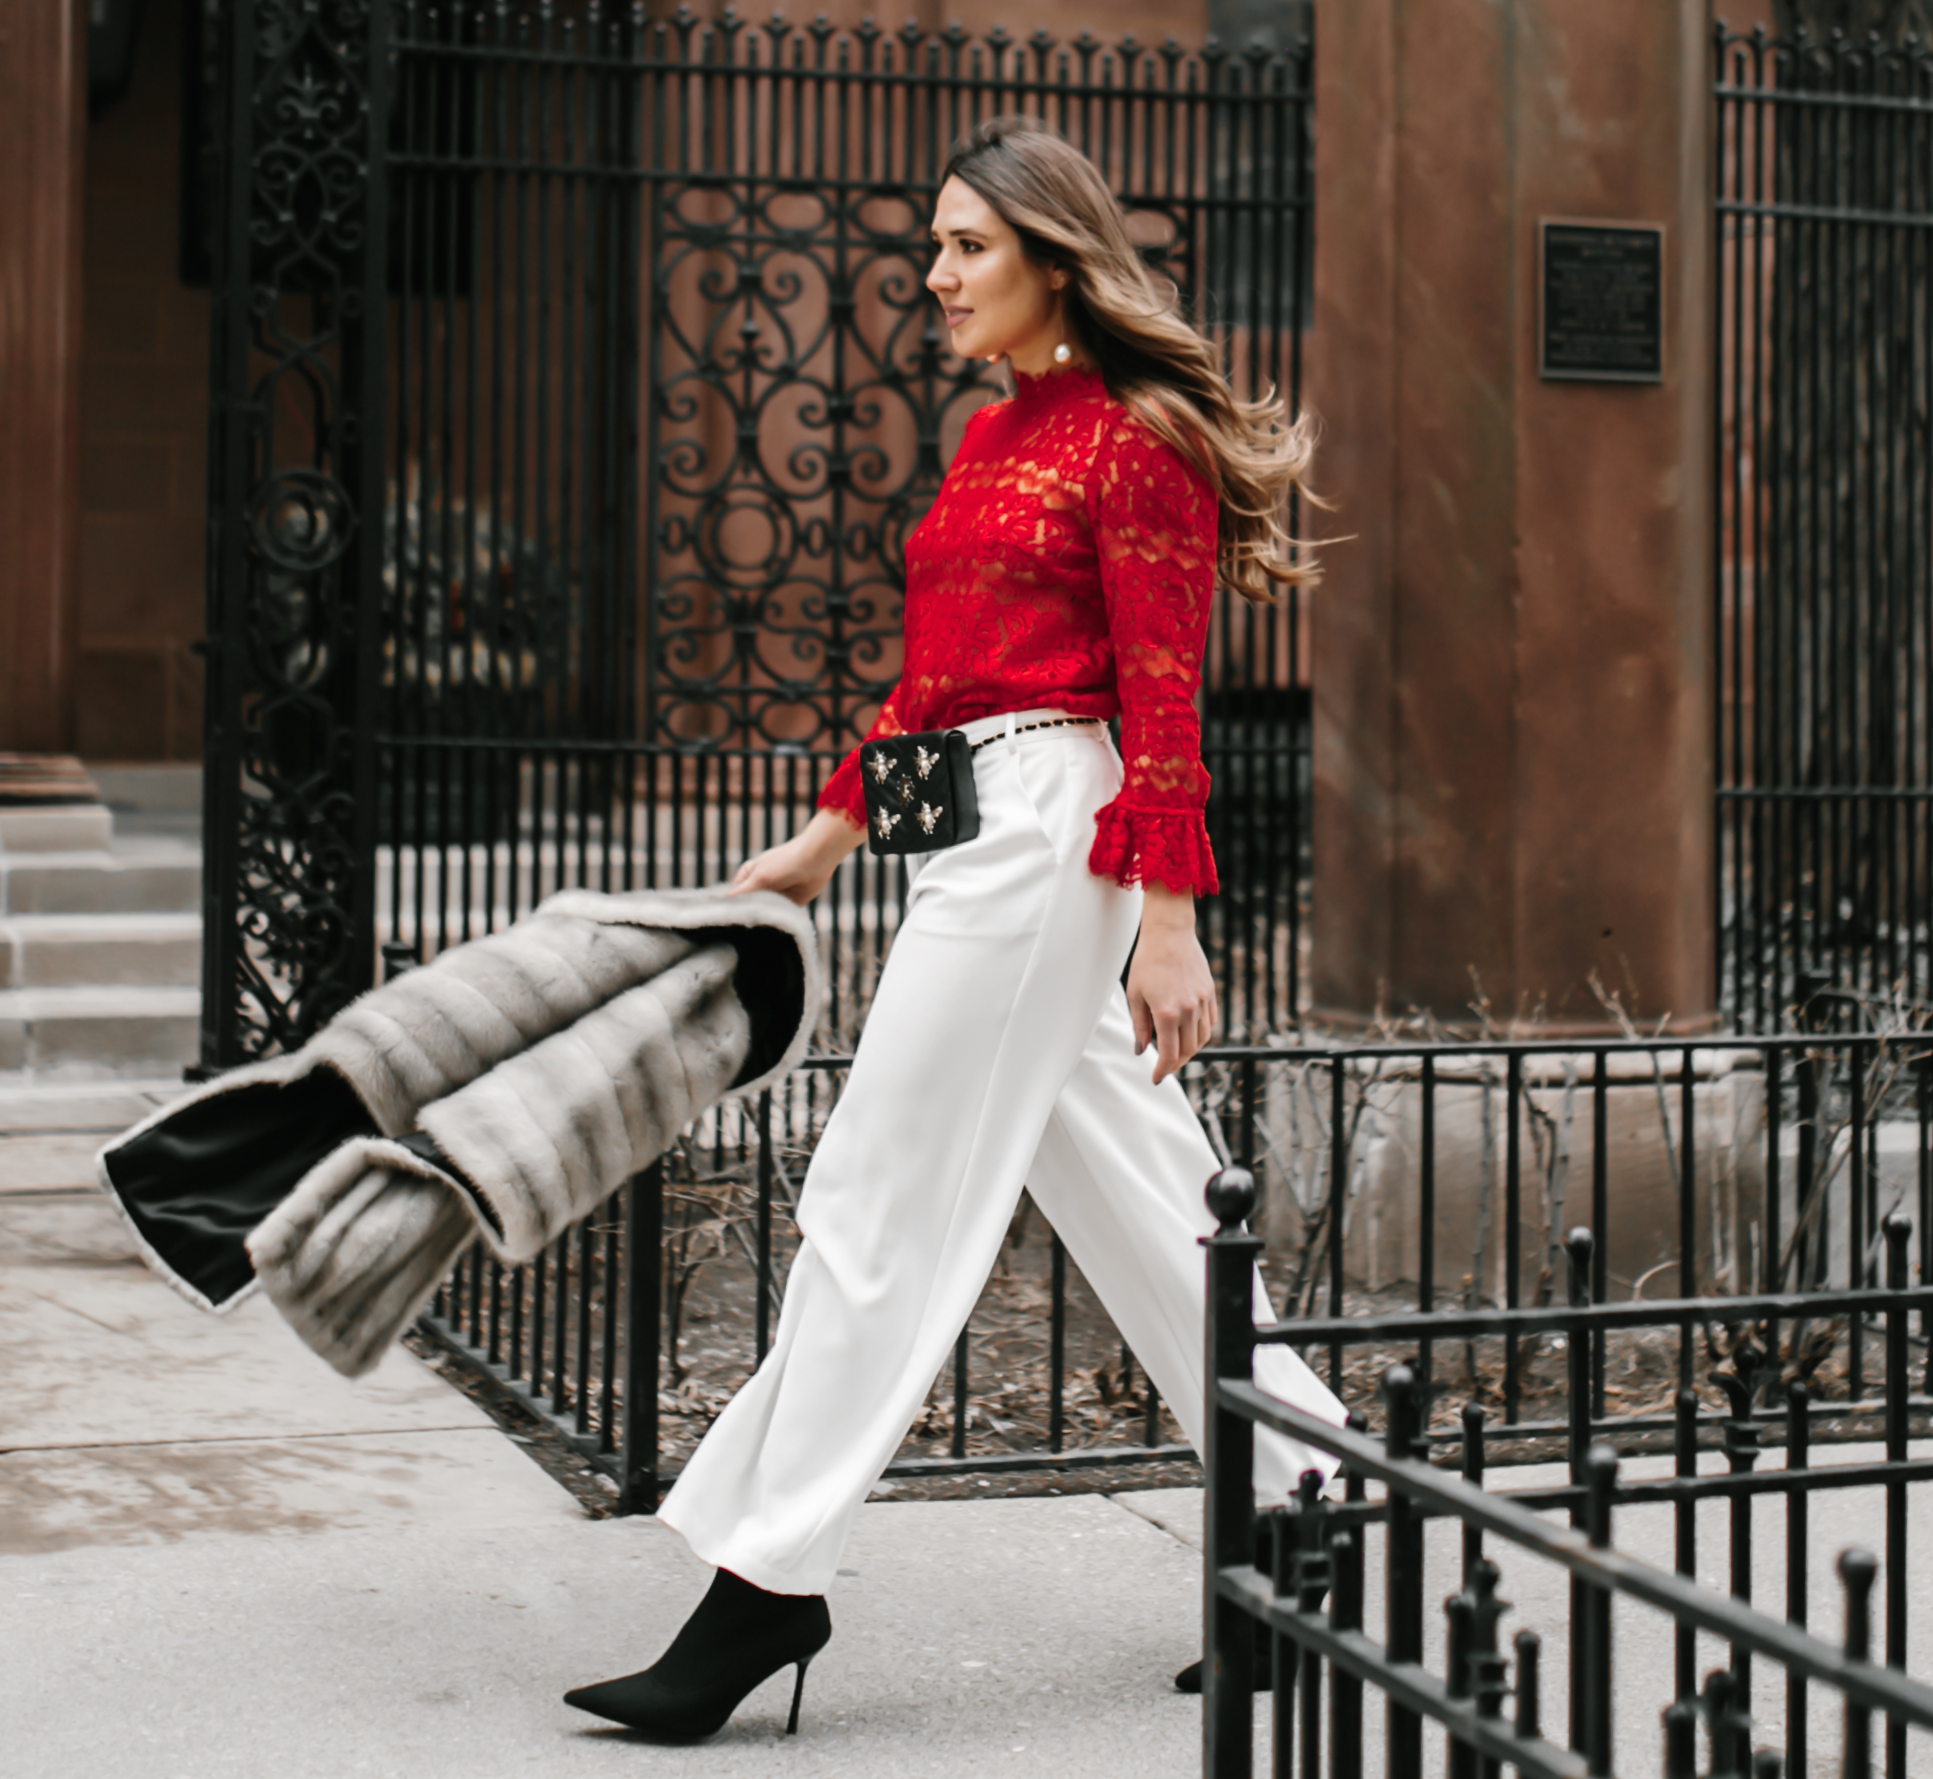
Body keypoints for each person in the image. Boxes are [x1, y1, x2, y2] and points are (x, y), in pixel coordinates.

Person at [563, 118, 1351, 1743]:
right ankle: (1314, 1510)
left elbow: (1160, 698)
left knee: (876, 1190)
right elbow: (938, 688)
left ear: (1056, 256)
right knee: (1143, 1197)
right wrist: (823, 840)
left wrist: (1170, 922)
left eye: (966, 247)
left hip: (1052, 842)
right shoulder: (997, 440)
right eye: (936, 245)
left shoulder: (1136, 440)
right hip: (973, 836)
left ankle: (767, 1584)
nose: (934, 275)